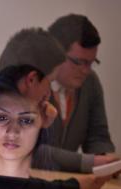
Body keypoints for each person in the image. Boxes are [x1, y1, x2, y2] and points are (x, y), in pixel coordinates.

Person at [46, 14, 116, 171]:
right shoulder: (31, 82)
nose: (86, 71)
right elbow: (30, 150)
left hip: (67, 181)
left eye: (91, 63)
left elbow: (97, 135)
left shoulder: (90, 82)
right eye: (79, 62)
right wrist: (89, 162)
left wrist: (105, 161)